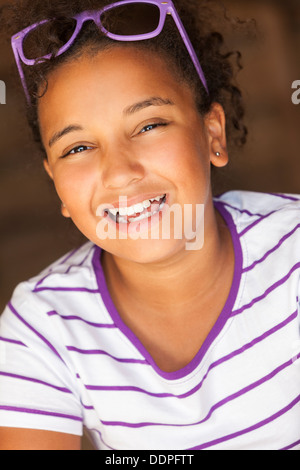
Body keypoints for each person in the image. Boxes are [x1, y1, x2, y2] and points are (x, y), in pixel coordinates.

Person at [0, 0, 299, 451]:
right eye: (78, 148)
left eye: (149, 125)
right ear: (56, 184)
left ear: (211, 135)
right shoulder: (43, 328)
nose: (119, 172)